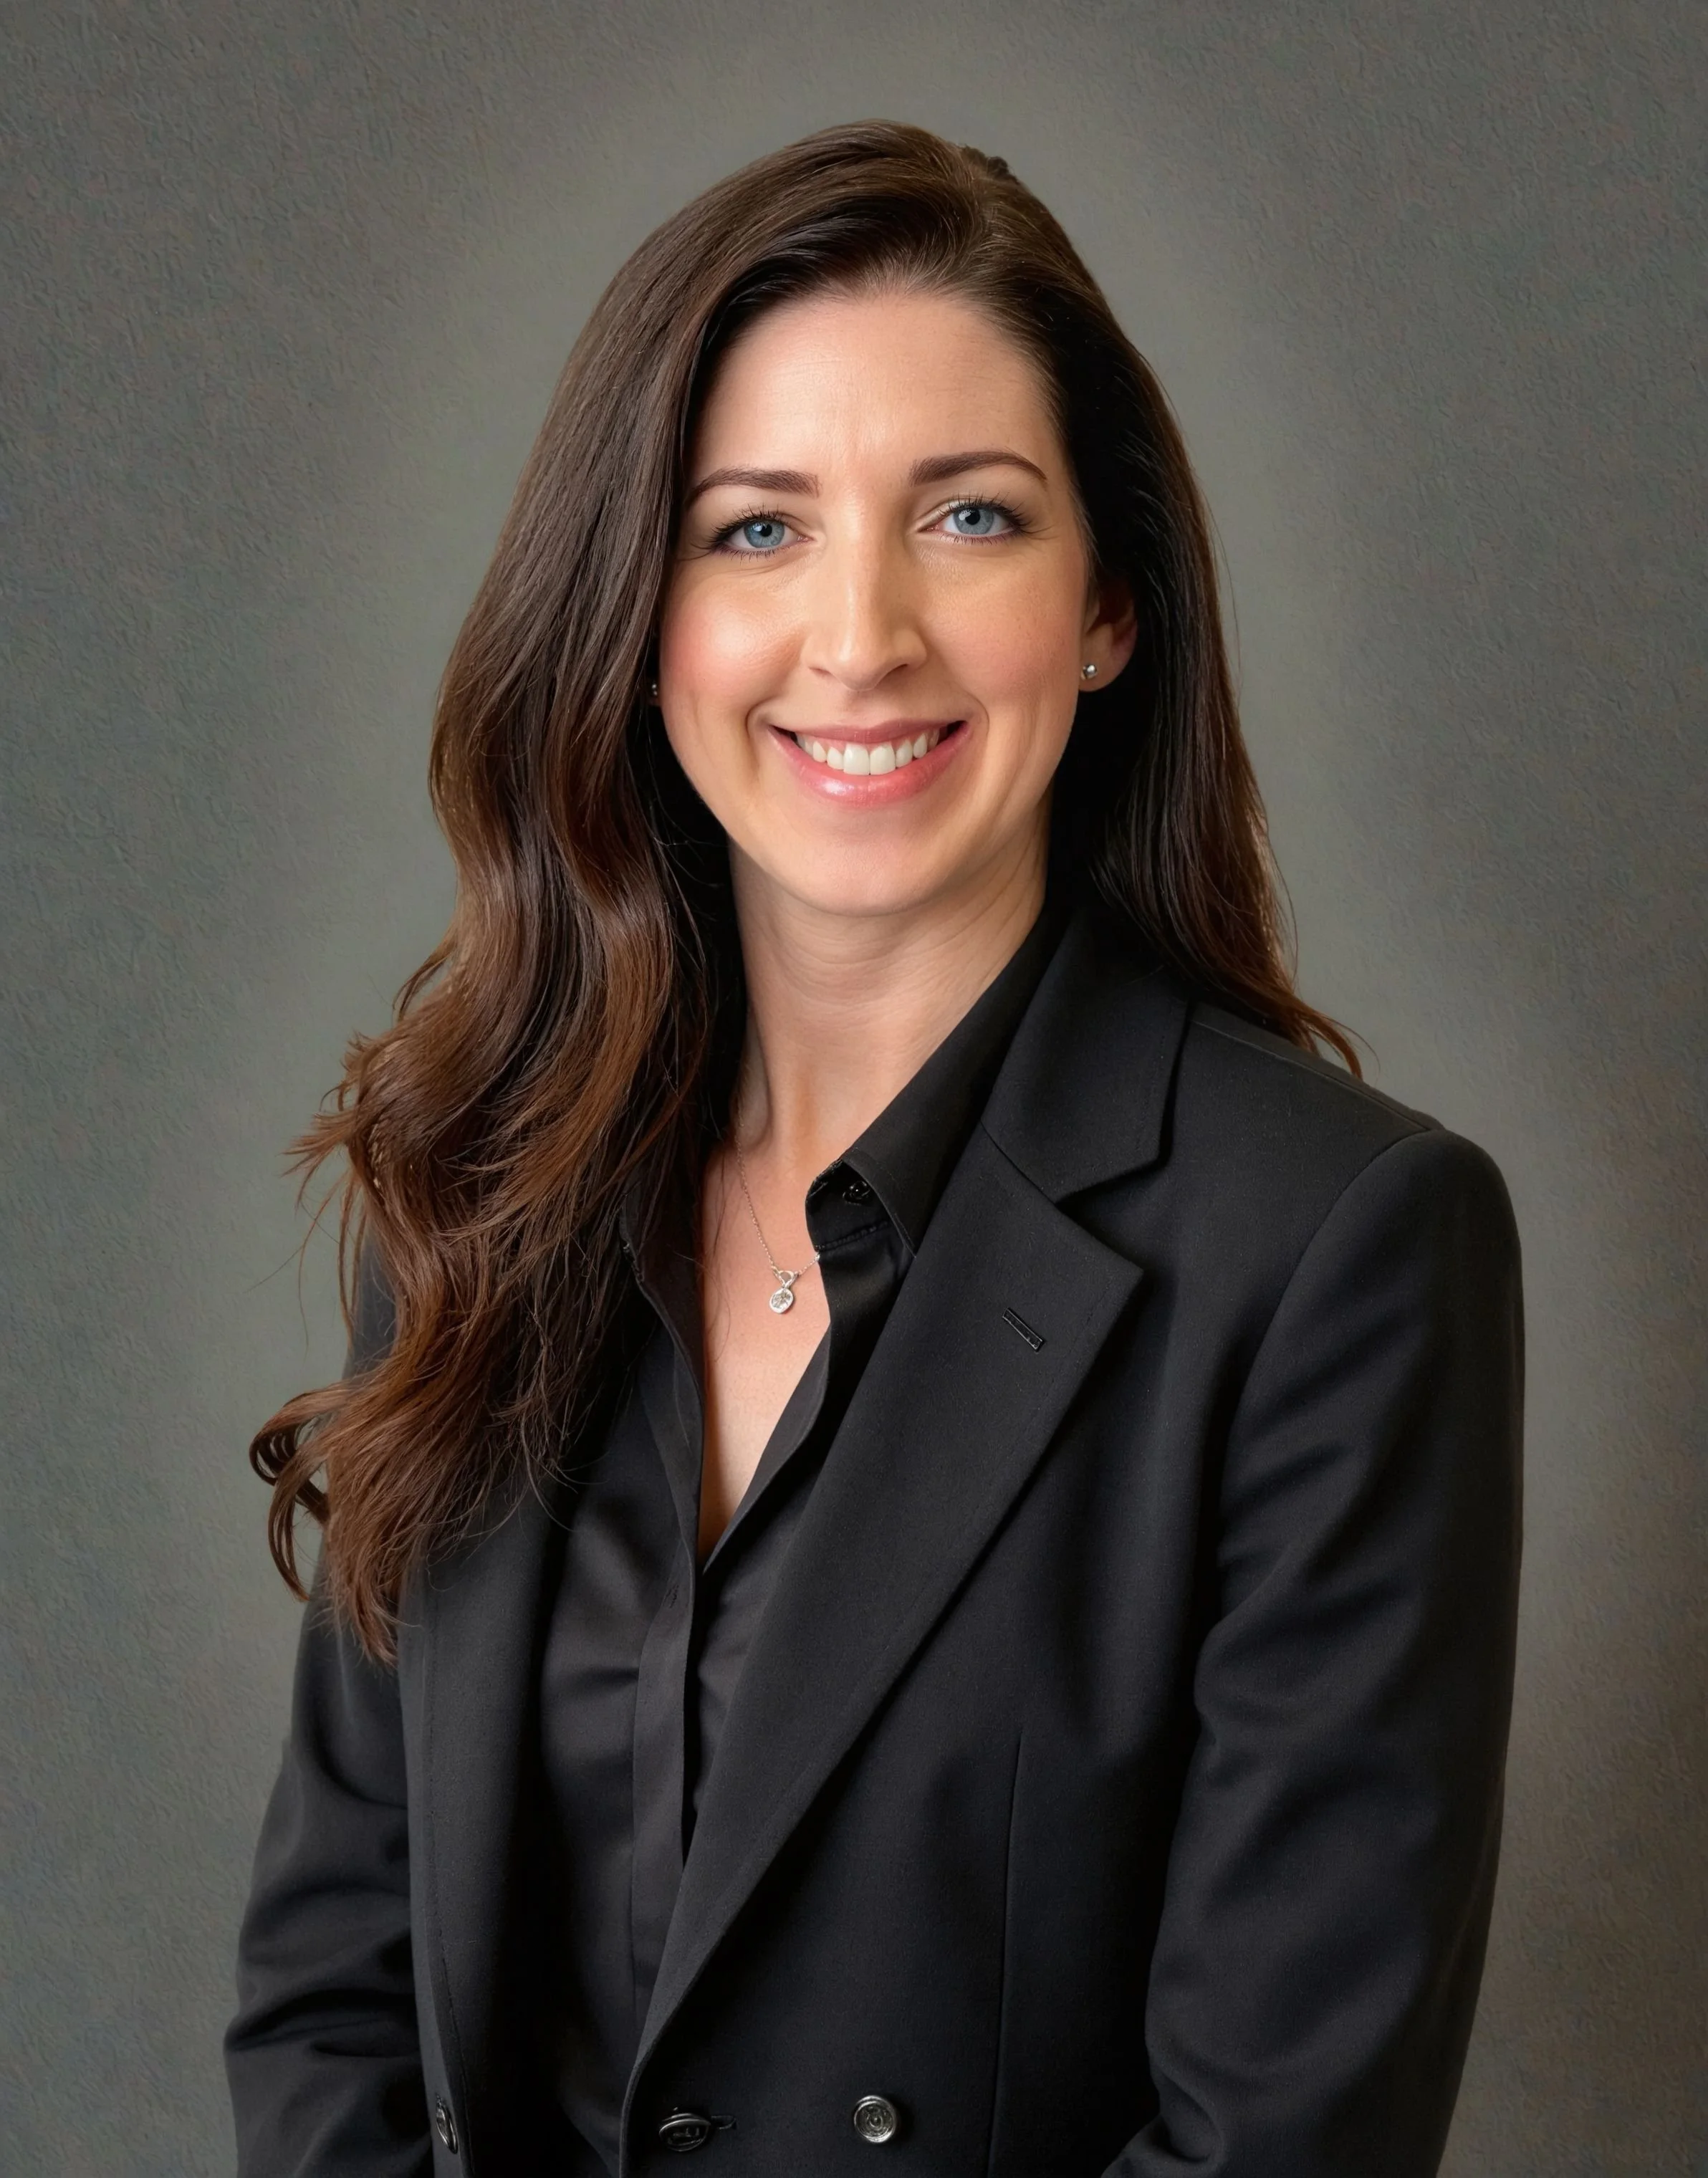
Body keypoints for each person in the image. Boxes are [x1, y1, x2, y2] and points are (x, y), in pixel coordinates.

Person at [226, 121, 1523, 2178]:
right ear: (636, 616)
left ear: (1107, 608)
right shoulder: (479, 1192)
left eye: (971, 519)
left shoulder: (1335, 1252)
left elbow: (1284, 2135)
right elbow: (331, 1999)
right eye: (754, 531)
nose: (860, 635)